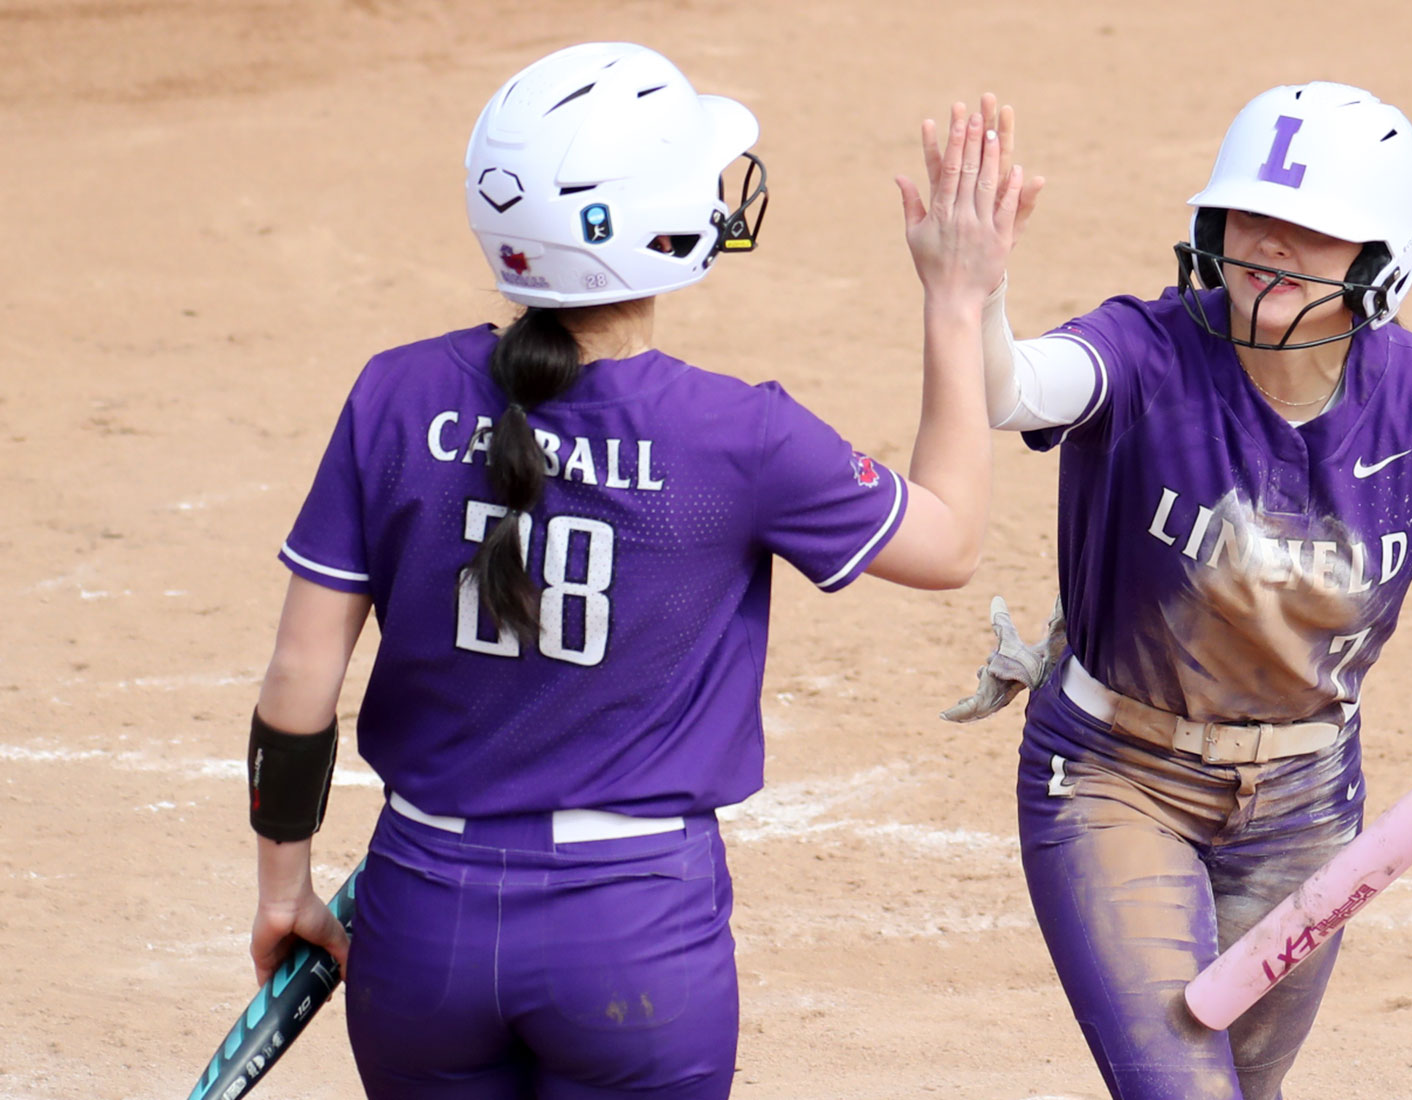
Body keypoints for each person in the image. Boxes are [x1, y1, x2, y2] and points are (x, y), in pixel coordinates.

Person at [241, 42, 1036, 1099]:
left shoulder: (394, 395)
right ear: (655, 226)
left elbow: (298, 683)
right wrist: (957, 300)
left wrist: (284, 887)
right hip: (634, 940)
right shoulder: (739, 434)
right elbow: (949, 540)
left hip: (420, 922)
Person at [942, 82, 1412, 1099]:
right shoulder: (1145, 350)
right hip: (1117, 775)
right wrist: (975, 294)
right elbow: (1009, 388)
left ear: (1382, 258)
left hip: (1306, 802)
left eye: (1310, 229)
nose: (1268, 244)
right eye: (1247, 214)